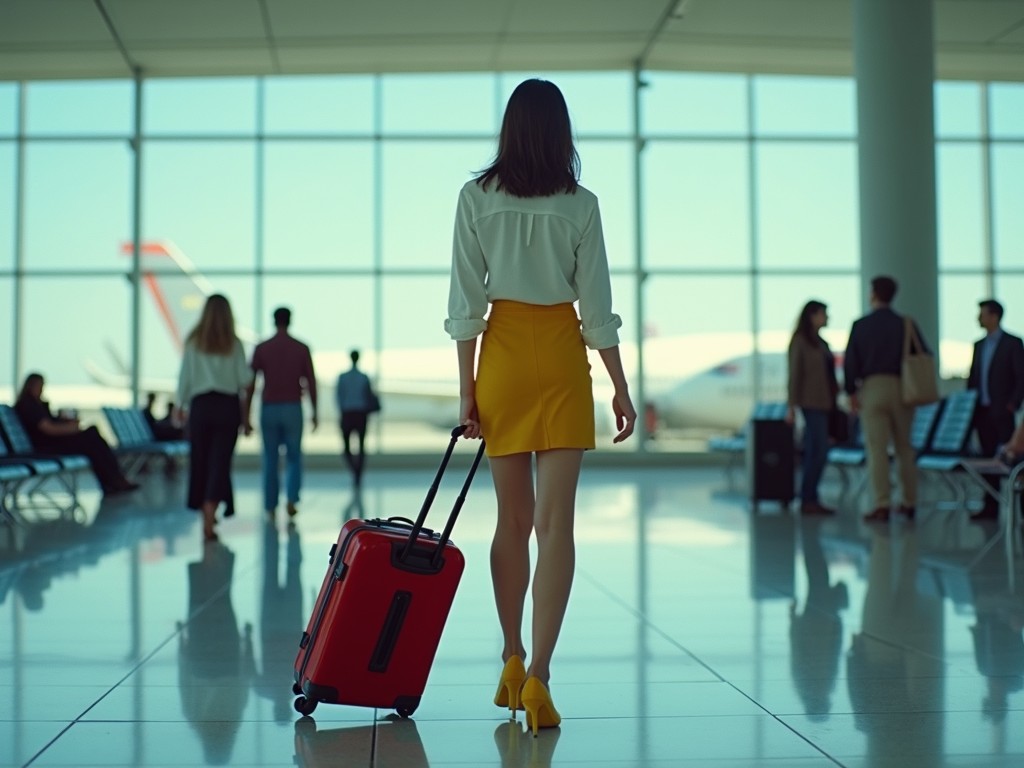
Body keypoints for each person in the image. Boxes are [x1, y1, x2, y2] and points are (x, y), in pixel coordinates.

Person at [445, 78, 637, 735]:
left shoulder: (476, 199)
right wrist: (620, 385)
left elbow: (465, 307)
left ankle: (510, 654)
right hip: (559, 354)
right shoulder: (581, 205)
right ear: (561, 133)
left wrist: (467, 394)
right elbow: (598, 309)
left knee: (512, 521)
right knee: (558, 524)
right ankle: (541, 680)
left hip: (500, 355)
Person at [844, 275, 929, 523]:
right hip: (904, 388)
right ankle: (909, 502)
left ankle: (881, 504)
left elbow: (851, 361)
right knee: (904, 448)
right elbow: (923, 353)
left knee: (877, 449)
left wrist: (851, 392)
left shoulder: (861, 325)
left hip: (873, 388)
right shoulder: (905, 324)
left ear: (873, 294)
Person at [175, 294, 253, 542]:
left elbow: (185, 377)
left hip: (201, 407)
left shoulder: (193, 342)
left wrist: (180, 404)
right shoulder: (234, 343)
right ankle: (211, 510)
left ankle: (205, 515)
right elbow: (245, 380)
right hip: (227, 407)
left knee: (200, 462)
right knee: (220, 463)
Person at [13, 372, 139, 496]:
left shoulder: (35, 405)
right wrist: (72, 428)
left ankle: (112, 480)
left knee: (92, 440)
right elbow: (49, 429)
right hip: (46, 446)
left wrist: (66, 423)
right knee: (92, 439)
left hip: (50, 443)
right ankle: (113, 479)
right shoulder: (28, 405)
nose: (41, 389)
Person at [246, 307, 318, 518]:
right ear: (290, 321)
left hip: (269, 408)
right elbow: (311, 382)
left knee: (270, 458)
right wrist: (315, 411)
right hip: (293, 408)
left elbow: (250, 384)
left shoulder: (262, 348)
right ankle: (292, 500)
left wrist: (246, 415)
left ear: (273, 321)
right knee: (294, 457)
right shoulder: (301, 348)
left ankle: (270, 505)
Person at [967, 299, 1024, 520]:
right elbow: (973, 379)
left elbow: (1021, 376)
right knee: (987, 455)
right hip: (982, 410)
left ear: (994, 316)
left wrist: (1012, 404)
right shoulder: (978, 346)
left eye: (982, 314)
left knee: (1010, 457)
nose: (978, 318)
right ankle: (990, 506)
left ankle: (1016, 509)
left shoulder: (1013, 343)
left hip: (1003, 411)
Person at [785, 300, 839, 515]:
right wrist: (792, 406)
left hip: (826, 403)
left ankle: (810, 496)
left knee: (818, 450)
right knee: (817, 450)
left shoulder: (821, 343)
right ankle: (808, 497)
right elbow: (795, 375)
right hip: (811, 403)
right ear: (812, 315)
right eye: (823, 314)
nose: (827, 318)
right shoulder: (801, 342)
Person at [335, 349, 377, 486]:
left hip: (347, 413)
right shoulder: (363, 377)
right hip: (360, 413)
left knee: (347, 446)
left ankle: (354, 470)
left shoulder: (343, 377)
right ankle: (357, 472)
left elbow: (339, 397)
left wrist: (341, 411)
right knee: (361, 446)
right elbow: (368, 395)